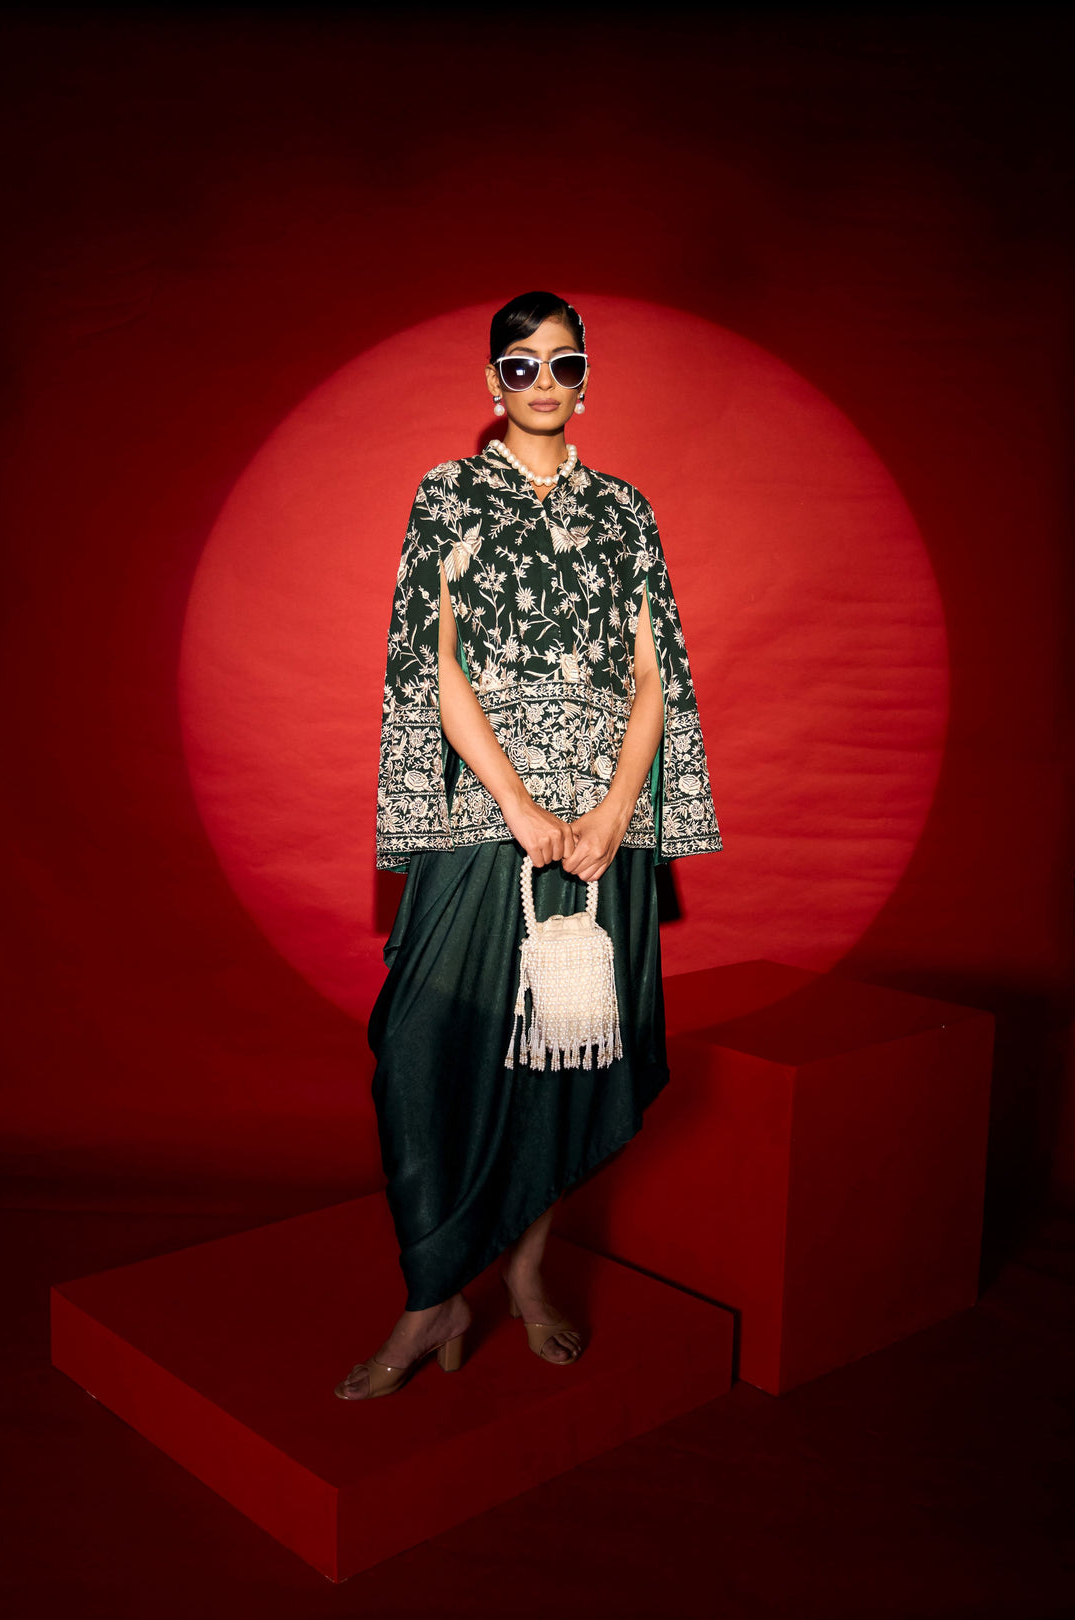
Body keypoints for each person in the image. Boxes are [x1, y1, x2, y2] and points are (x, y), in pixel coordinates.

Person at [335, 291, 722, 1400]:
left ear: (585, 380)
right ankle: (436, 1293)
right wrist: (512, 802)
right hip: (486, 813)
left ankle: (526, 1275)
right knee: (417, 1042)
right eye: (520, 365)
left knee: (567, 1054)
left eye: (562, 364)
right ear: (492, 383)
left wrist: (613, 813)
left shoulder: (626, 510)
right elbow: (437, 664)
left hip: (604, 826)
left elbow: (653, 674)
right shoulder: (448, 494)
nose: (542, 382)